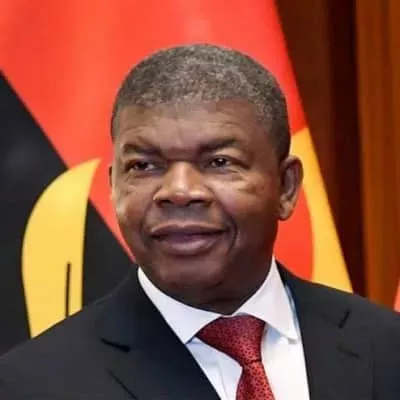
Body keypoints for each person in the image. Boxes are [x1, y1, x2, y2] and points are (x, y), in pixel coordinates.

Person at [0, 44, 399, 400]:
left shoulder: (386, 349)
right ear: (115, 186)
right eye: (144, 166)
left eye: (219, 162)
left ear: (286, 186)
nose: (178, 191)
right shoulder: (33, 385)